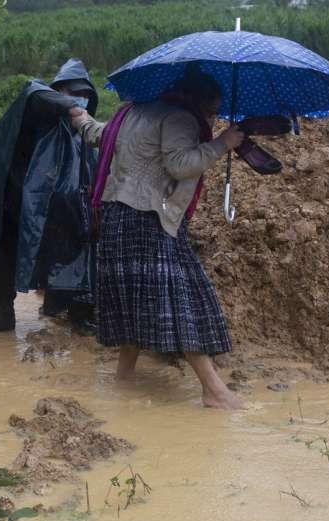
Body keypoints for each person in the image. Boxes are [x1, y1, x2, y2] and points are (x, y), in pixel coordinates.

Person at [72, 68, 246, 409]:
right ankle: (213, 390)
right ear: (196, 100)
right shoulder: (180, 118)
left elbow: (99, 135)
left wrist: (79, 117)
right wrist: (222, 144)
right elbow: (180, 165)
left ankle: (124, 379)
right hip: (149, 218)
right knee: (180, 301)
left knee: (133, 301)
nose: (211, 119)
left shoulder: (131, 112)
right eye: (211, 111)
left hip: (116, 216)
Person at [0, 58, 98, 333]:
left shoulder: (80, 140)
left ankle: (74, 316)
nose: (80, 99)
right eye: (73, 92)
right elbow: (32, 89)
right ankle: (0, 340)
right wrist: (73, 109)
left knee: (73, 260)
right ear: (57, 93)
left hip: (44, 219)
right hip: (3, 212)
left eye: (85, 94)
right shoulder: (35, 115)